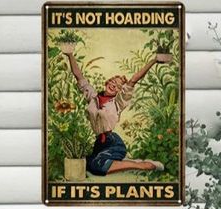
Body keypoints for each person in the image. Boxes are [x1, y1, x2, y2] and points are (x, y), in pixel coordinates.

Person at [60, 43, 172, 176]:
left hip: (113, 143)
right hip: (99, 143)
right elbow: (79, 76)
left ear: (120, 91)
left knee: (98, 167)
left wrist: (154, 60)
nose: (114, 86)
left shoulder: (118, 102)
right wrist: (70, 54)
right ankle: (127, 161)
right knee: (87, 164)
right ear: (107, 82)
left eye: (118, 86)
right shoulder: (93, 97)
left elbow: (134, 79)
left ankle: (145, 165)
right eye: (113, 82)